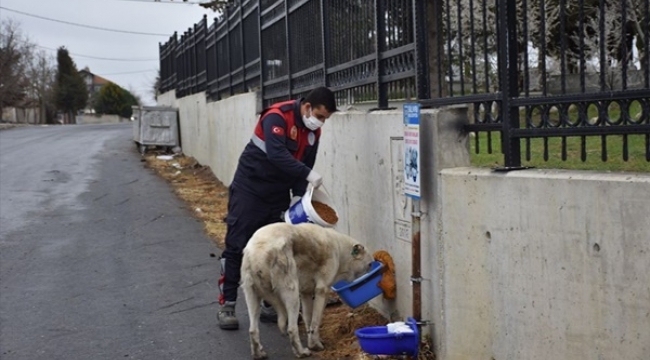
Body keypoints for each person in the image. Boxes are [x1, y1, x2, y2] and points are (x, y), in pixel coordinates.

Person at [217, 87, 337, 330]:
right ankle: (227, 303)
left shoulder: (313, 134)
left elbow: (304, 164)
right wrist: (308, 174)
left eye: (325, 119)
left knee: (274, 249)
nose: (321, 122)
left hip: (277, 194)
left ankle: (269, 304)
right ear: (307, 107)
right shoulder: (277, 116)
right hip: (250, 188)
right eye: (320, 116)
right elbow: (277, 154)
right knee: (238, 244)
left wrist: (298, 197)